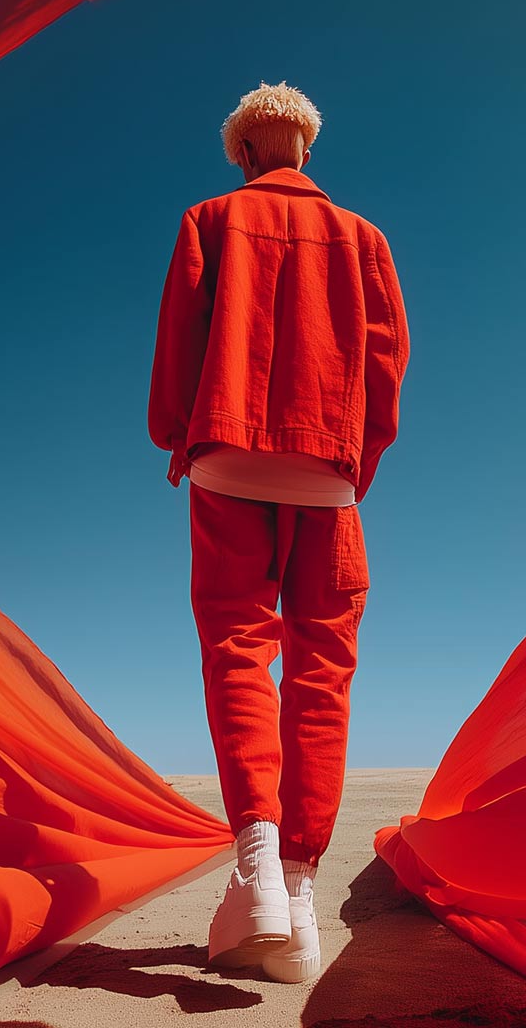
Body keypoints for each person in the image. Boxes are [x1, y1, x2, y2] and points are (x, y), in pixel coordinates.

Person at [147, 81, 410, 983]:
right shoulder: (364, 237)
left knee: (236, 650)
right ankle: (296, 882)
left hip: (225, 456)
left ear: (244, 150)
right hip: (328, 469)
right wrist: (354, 460)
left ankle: (258, 862)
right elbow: (386, 360)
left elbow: (179, 337)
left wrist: (177, 437)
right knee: (323, 667)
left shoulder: (208, 217)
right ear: (304, 145)